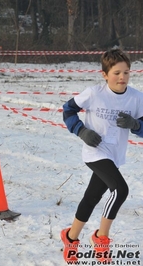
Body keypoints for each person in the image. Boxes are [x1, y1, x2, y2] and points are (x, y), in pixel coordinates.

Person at [61, 48, 143, 263]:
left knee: (91, 198)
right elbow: (67, 110)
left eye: (126, 72)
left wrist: (136, 124)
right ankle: (101, 238)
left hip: (115, 154)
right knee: (120, 190)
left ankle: (70, 237)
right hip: (94, 152)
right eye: (116, 73)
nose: (122, 77)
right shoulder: (93, 93)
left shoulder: (136, 98)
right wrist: (81, 130)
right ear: (105, 75)